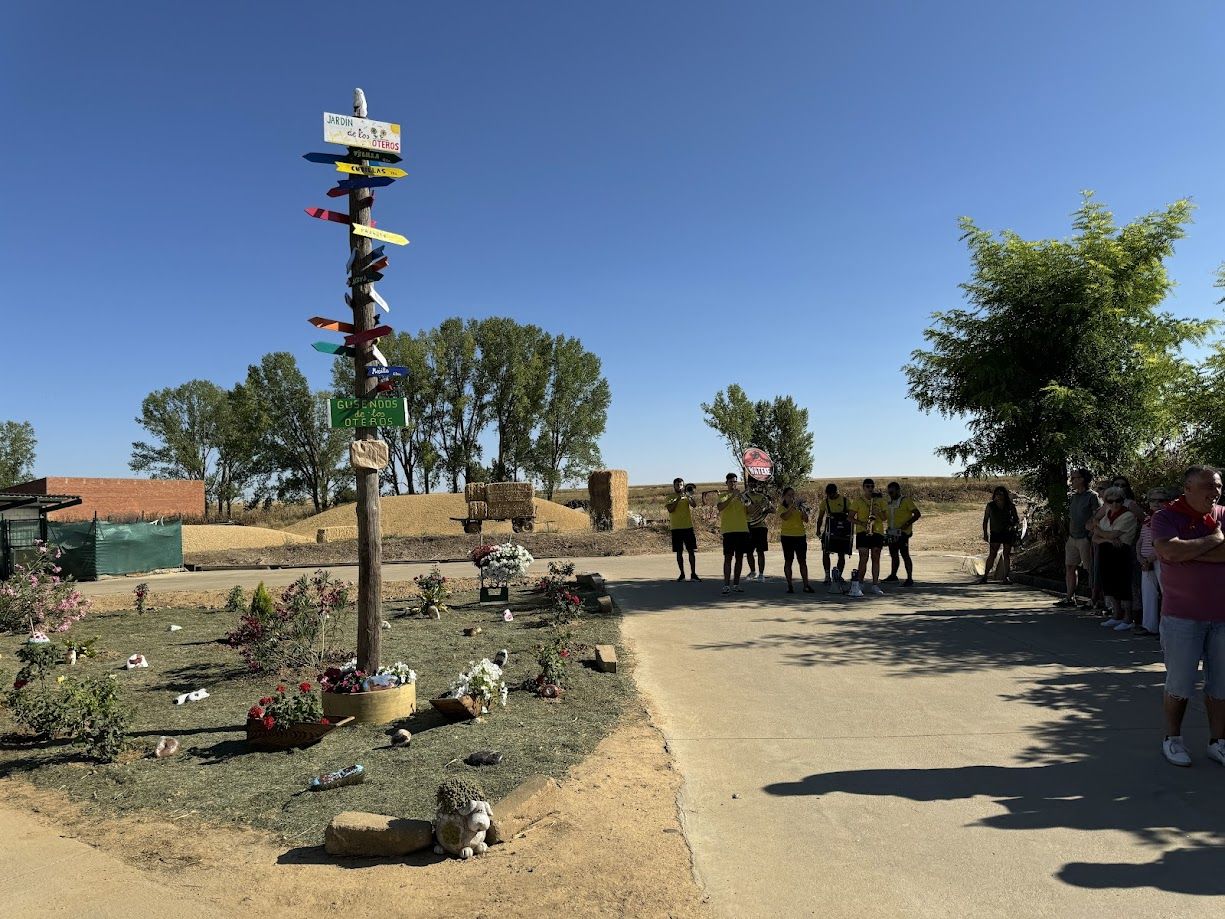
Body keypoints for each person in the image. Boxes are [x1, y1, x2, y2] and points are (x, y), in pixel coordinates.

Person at [1151, 465, 1225, 768]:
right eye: (1208, 485)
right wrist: (1214, 540)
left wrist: (1187, 552)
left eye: (1218, 485)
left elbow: (1177, 553)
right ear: (1188, 488)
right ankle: (1173, 739)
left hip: (1222, 618)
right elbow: (1168, 551)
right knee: (1179, 685)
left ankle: (1218, 742)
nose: (1215, 491)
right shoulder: (1166, 517)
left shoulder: (1223, 514)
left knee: (1221, 686)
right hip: (1182, 618)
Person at [1093, 486, 1139, 632]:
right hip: (1106, 551)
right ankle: (1116, 614)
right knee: (1109, 583)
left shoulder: (1128, 515)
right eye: (1110, 501)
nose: (1114, 504)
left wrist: (1102, 533)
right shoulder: (1107, 514)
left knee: (1123, 584)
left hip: (1121, 552)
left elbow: (1111, 534)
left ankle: (1128, 618)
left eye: (1118, 500)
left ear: (1122, 500)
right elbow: (1095, 537)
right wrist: (1107, 538)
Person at [1056, 469, 1102, 608]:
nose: (1072, 481)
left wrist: (1091, 534)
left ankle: (1093, 599)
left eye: (1074, 478)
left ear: (1082, 479)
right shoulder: (1073, 497)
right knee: (1070, 566)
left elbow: (1098, 516)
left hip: (1085, 538)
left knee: (1090, 569)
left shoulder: (1092, 496)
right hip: (1072, 538)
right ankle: (1069, 598)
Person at [1136, 488, 1168, 636]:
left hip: (1160, 560)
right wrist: (1140, 557)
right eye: (1153, 500)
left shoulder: (1167, 518)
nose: (1156, 503)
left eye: (1161, 500)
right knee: (1148, 593)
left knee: (1166, 593)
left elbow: (1165, 541)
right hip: (1146, 561)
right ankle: (1149, 625)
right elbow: (1140, 540)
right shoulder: (1148, 519)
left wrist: (1150, 558)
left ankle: (1165, 629)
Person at [849, 478, 887, 597]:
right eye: (867, 486)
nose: (870, 488)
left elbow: (885, 518)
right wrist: (861, 523)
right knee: (863, 557)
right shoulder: (858, 501)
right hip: (863, 531)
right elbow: (850, 517)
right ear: (863, 488)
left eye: (872, 486)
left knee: (876, 557)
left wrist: (877, 511)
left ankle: (875, 585)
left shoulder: (880, 500)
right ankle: (860, 583)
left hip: (877, 531)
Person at [716, 472, 751, 596]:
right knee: (728, 558)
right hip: (728, 531)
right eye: (731, 482)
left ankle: (736, 584)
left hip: (742, 530)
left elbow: (748, 511)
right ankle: (726, 585)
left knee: (739, 558)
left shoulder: (742, 496)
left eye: (735, 481)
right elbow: (720, 507)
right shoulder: (723, 496)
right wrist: (732, 496)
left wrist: (744, 499)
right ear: (726, 483)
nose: (733, 484)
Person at [816, 483, 854, 593]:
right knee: (825, 552)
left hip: (843, 532)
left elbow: (851, 516)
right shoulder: (825, 502)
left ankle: (838, 576)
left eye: (831, 494)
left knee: (841, 554)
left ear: (836, 492)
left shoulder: (845, 501)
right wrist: (818, 530)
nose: (830, 497)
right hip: (829, 531)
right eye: (828, 495)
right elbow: (820, 517)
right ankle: (827, 576)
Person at [884, 481, 921, 586]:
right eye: (889, 493)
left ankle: (909, 578)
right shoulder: (889, 502)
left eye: (892, 492)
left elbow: (917, 514)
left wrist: (907, 524)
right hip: (892, 532)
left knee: (905, 554)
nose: (890, 494)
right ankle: (893, 575)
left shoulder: (905, 501)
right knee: (893, 554)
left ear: (898, 491)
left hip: (903, 533)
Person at [777, 487, 814, 594]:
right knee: (788, 561)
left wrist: (803, 511)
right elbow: (785, 517)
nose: (791, 497)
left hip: (800, 536)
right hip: (787, 536)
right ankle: (790, 585)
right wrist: (792, 507)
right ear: (784, 496)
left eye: (793, 494)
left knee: (802, 561)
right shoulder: (782, 507)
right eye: (789, 495)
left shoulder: (799, 507)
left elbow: (806, 520)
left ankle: (806, 585)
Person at [980, 486, 1020, 584]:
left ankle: (1006, 577)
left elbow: (1016, 519)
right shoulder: (990, 506)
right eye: (997, 494)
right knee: (992, 555)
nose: (999, 496)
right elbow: (985, 520)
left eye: (1001, 494)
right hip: (995, 533)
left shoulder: (1010, 506)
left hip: (1007, 533)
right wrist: (985, 533)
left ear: (1005, 495)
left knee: (1006, 555)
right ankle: (985, 576)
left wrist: (1013, 527)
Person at [664, 477, 700, 582]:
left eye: (681, 485)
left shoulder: (687, 496)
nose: (679, 487)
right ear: (674, 486)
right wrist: (678, 499)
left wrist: (689, 496)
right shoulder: (670, 497)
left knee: (691, 551)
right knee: (679, 552)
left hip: (688, 527)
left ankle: (693, 574)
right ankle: (682, 574)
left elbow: (694, 505)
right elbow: (670, 510)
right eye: (677, 485)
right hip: (676, 528)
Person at [743, 484, 772, 583]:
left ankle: (761, 574)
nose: (752, 487)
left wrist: (764, 509)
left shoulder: (762, 497)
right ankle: (753, 572)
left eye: (754, 485)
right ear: (747, 486)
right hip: (748, 526)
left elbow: (773, 509)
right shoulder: (744, 496)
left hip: (760, 527)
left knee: (760, 551)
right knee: (748, 552)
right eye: (750, 485)